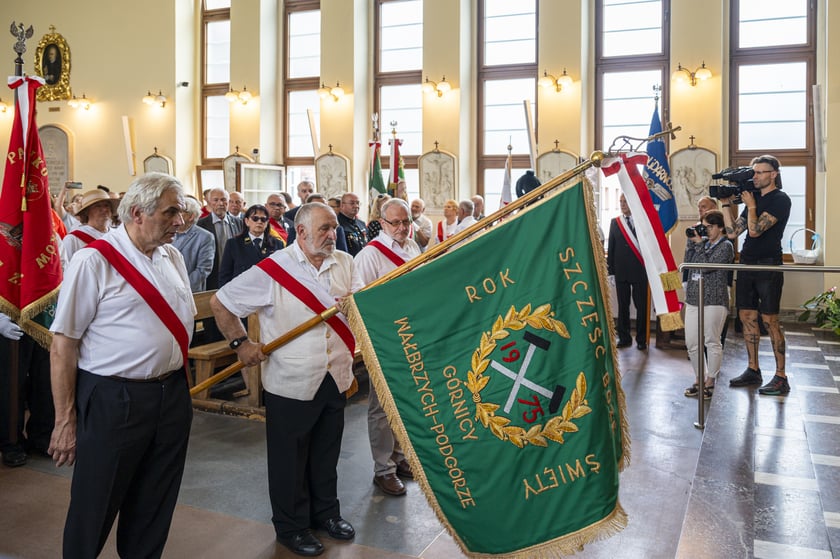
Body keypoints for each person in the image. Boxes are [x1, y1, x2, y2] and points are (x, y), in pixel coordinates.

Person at [48, 172, 194, 558]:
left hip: (171, 393)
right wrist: (65, 420)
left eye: (180, 212)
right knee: (95, 503)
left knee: (154, 503)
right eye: (171, 212)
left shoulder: (172, 255)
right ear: (136, 213)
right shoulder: (93, 260)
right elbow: (63, 344)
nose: (180, 222)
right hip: (116, 398)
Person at [210, 202, 356, 557]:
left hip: (334, 374)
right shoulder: (274, 269)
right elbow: (221, 302)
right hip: (291, 380)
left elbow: (359, 306)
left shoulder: (345, 263)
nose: (332, 235)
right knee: (289, 459)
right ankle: (291, 526)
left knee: (326, 452)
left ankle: (326, 513)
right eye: (324, 228)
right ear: (301, 232)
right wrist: (241, 344)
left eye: (334, 227)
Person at [352, 199, 419, 496]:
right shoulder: (369, 256)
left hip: (411, 334)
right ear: (382, 222)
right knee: (381, 407)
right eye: (396, 223)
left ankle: (401, 457)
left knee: (403, 403)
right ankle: (383, 468)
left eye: (406, 221)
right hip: (384, 339)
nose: (403, 228)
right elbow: (359, 304)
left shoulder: (412, 247)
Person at [723, 155, 792, 395]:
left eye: (761, 172)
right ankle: (753, 369)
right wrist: (725, 204)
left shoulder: (780, 200)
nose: (756, 176)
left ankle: (781, 376)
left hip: (769, 265)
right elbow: (732, 233)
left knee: (770, 320)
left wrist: (751, 206)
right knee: (747, 316)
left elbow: (753, 232)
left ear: (774, 174)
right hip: (747, 264)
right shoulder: (750, 201)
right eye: (754, 173)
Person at [682, 210, 734, 399]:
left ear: (720, 227)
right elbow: (688, 264)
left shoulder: (726, 246)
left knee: (711, 340)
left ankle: (710, 381)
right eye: (704, 226)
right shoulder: (701, 244)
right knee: (692, 342)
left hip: (715, 299)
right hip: (694, 298)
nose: (707, 231)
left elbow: (706, 266)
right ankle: (698, 378)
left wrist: (699, 245)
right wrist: (691, 242)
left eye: (710, 227)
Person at [607, 194, 649, 350]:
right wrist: (610, 271)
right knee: (623, 306)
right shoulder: (615, 223)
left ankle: (641, 339)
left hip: (640, 271)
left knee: (641, 306)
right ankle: (624, 337)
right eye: (621, 202)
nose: (623, 204)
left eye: (626, 202)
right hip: (621, 271)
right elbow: (611, 248)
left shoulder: (642, 222)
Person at [219, 204, 283, 287]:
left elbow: (281, 274)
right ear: (247, 221)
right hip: (242, 292)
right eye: (255, 218)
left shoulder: (277, 244)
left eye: (263, 219)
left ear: (267, 223)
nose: (259, 222)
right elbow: (225, 275)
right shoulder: (233, 244)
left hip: (268, 293)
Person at [196, 187, 244, 290]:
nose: (220, 203)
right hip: (211, 278)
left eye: (223, 200)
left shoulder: (239, 223)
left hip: (234, 277)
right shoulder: (200, 225)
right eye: (216, 200)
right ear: (209, 202)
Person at [61, 189, 119, 265]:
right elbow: (67, 268)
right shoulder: (73, 239)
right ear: (87, 211)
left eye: (107, 205)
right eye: (98, 206)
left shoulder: (117, 235)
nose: (104, 209)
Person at [172, 196, 216, 292]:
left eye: (181, 212)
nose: (175, 215)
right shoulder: (168, 232)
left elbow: (203, 269)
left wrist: (183, 287)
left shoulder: (205, 237)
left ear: (191, 216)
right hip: (166, 290)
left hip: (190, 291)